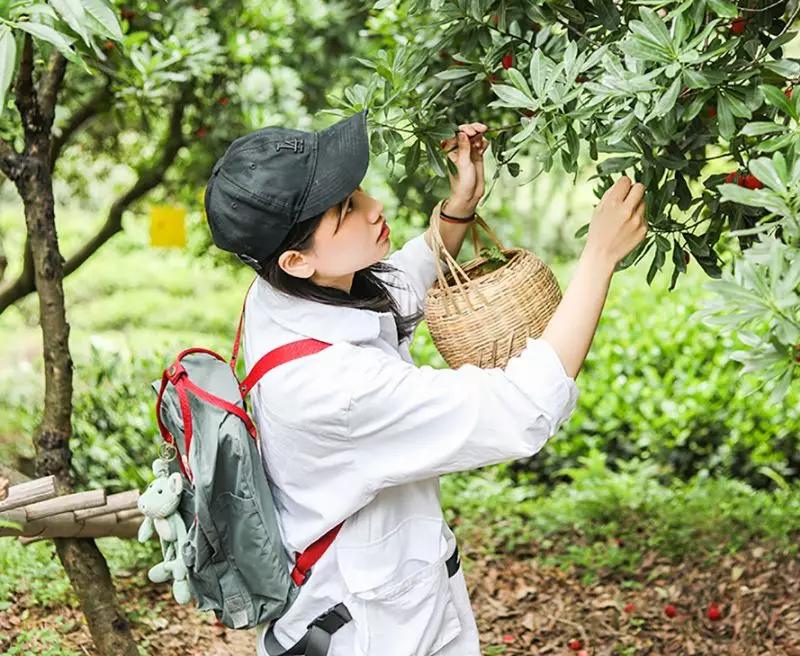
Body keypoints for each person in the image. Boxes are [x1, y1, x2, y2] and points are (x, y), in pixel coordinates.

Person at [203, 108, 647, 656]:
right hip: (368, 633)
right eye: (347, 209)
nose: (375, 207)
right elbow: (521, 408)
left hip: (383, 597)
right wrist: (599, 257)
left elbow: (396, 287)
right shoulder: (333, 389)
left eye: (359, 190)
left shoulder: (284, 295)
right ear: (296, 259)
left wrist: (457, 209)